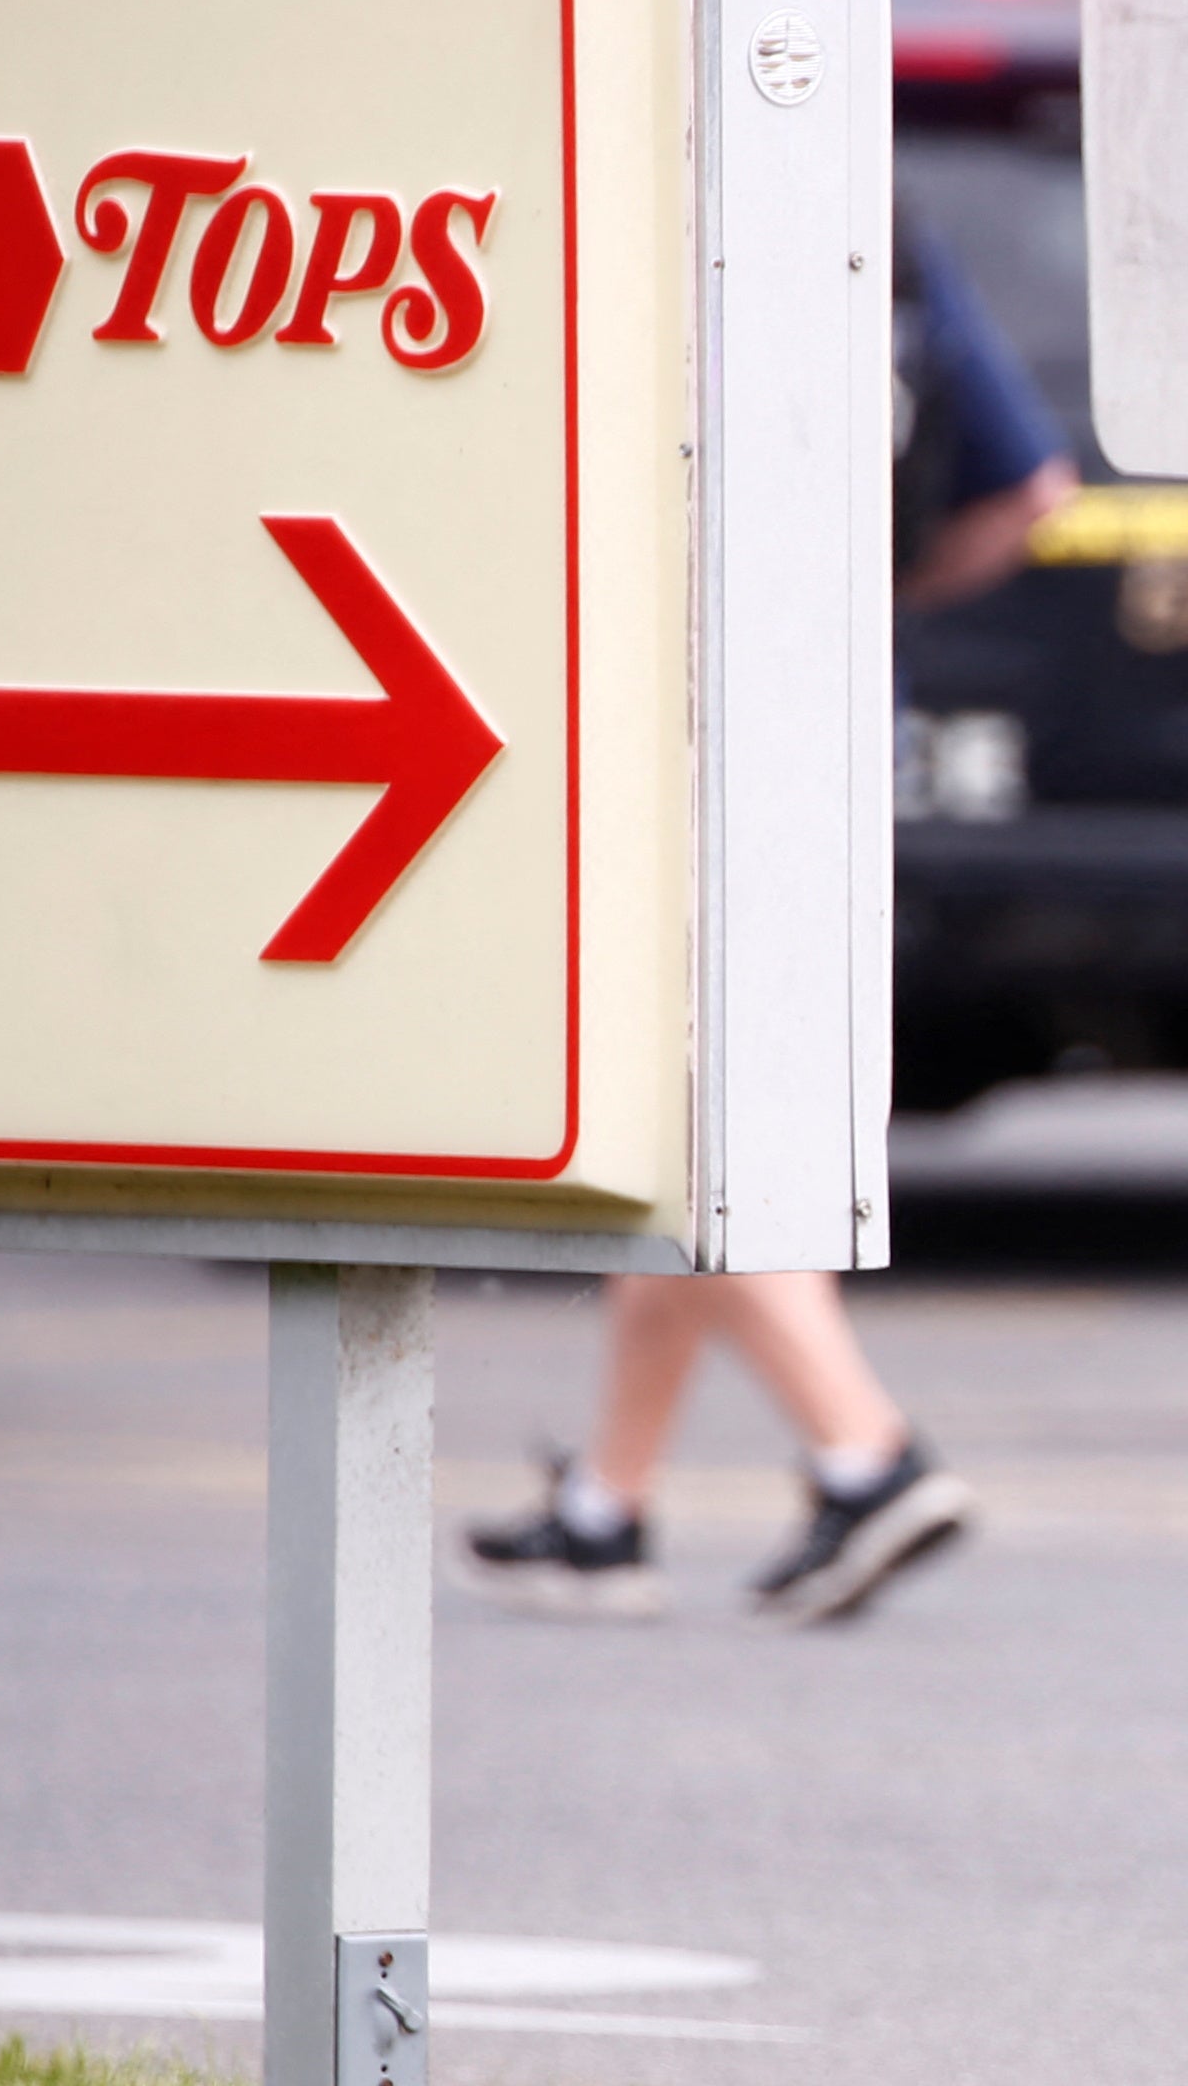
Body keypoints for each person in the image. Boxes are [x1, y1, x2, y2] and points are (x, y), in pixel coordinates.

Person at [458, 219, 1078, 1625]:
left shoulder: (654, 214)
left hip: (683, 725)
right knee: (711, 1105)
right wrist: (888, 597)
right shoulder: (893, 241)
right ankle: (606, 1508)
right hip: (846, 724)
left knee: (689, 1120)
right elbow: (1036, 486)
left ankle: (864, 1454)